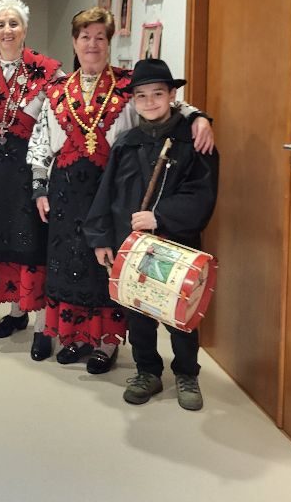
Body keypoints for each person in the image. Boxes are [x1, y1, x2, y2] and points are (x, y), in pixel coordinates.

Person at [28, 7, 214, 373]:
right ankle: (77, 337)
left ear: (109, 42)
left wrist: (200, 118)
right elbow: (40, 140)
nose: (92, 44)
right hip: (66, 192)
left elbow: (172, 103)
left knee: (109, 265)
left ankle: (107, 342)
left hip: (114, 191)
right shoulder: (55, 90)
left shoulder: (129, 85)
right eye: (85, 37)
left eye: (100, 37)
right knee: (71, 265)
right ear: (74, 42)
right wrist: (39, 188)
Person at [84, 58, 219, 409]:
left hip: (177, 243)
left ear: (172, 95)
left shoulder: (193, 141)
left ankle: (187, 372)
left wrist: (160, 216)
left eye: (158, 94)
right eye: (141, 96)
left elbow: (201, 193)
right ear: (133, 101)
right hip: (132, 244)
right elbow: (106, 193)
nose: (149, 102)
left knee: (180, 311)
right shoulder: (126, 142)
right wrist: (100, 237)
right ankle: (147, 371)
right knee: (138, 309)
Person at [0, 0, 63, 357]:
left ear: (25, 29)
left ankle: (43, 323)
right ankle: (17, 312)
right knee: (3, 241)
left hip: (32, 166)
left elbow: (66, 109)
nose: (7, 30)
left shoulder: (47, 71)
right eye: (0, 24)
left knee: (33, 241)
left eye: (14, 23)